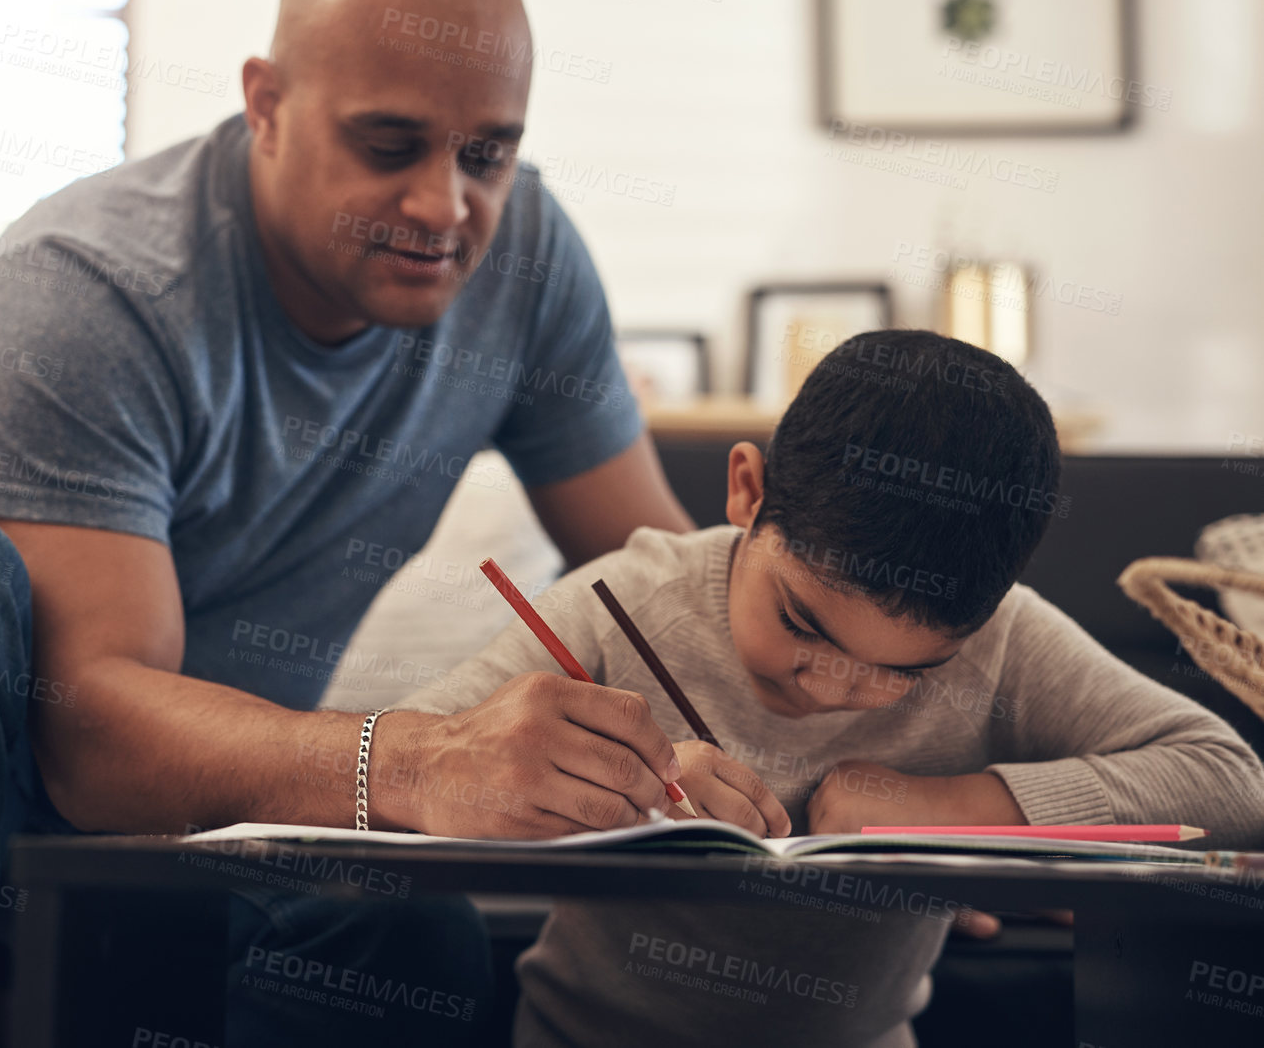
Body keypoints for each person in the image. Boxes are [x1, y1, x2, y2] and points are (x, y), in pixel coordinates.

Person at [0, 0, 698, 1046]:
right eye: (389, 146)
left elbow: (658, 594)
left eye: (489, 153)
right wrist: (421, 761)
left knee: (408, 942)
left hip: (175, 817)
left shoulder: (523, 263)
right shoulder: (91, 281)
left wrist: (838, 767)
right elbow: (87, 732)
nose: (445, 204)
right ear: (267, 105)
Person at [394, 328, 1264, 1046]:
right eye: (802, 624)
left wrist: (948, 809)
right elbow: (406, 752)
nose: (838, 686)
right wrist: (624, 788)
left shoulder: (1003, 638)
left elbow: (1229, 777)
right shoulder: (625, 599)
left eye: (907, 670)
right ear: (747, 490)